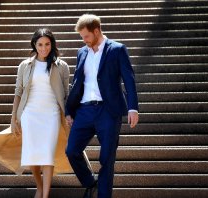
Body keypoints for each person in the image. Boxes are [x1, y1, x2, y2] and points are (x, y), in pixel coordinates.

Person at [0, 28, 72, 198]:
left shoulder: (62, 66)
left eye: (47, 44)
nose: (44, 48)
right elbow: (18, 92)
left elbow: (66, 94)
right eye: (40, 44)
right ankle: (39, 187)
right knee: (32, 156)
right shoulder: (25, 65)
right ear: (34, 45)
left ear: (52, 45)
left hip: (52, 114)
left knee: (47, 155)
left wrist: (68, 115)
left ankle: (45, 195)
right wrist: (13, 118)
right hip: (30, 114)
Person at [65, 14, 139, 198]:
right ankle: (91, 183)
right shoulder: (82, 52)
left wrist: (132, 108)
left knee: (106, 158)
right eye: (82, 37)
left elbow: (129, 79)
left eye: (86, 36)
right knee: (72, 150)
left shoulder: (117, 49)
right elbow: (77, 82)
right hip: (84, 110)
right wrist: (69, 110)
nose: (84, 40)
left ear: (96, 31)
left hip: (108, 110)